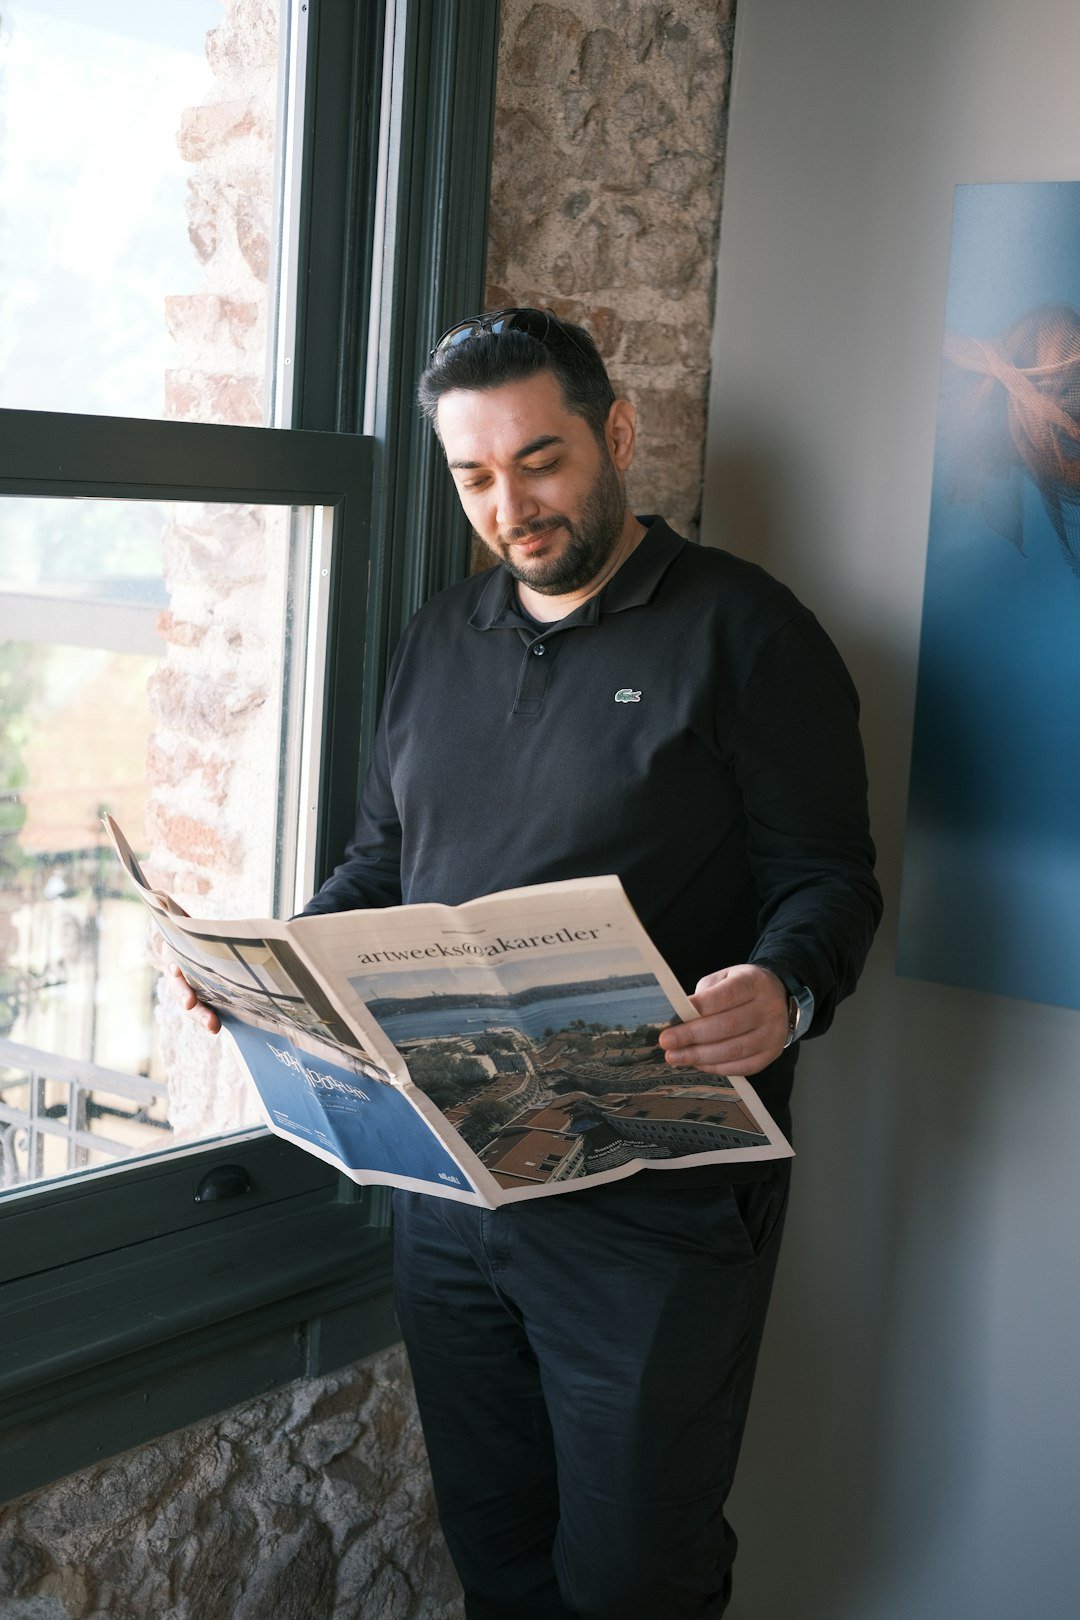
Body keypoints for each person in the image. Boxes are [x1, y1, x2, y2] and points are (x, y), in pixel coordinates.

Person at [175, 306, 882, 1618]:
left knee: (634, 1578)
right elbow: (380, 868)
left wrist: (783, 991)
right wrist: (275, 968)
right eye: (477, 477)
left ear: (616, 433)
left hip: (653, 1203)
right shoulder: (441, 634)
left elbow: (829, 881)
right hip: (446, 1184)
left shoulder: (750, 633)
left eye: (540, 460)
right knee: (495, 1552)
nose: (513, 505)